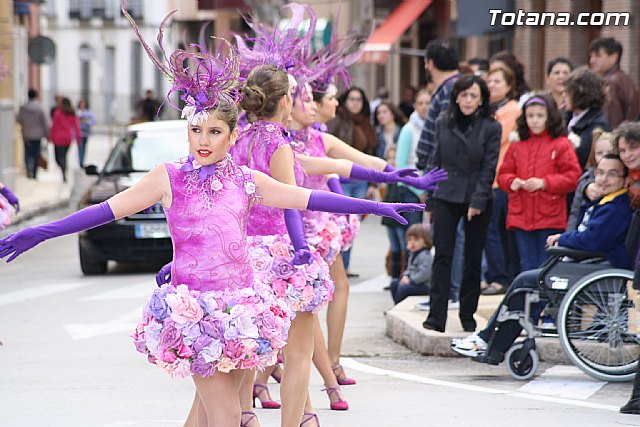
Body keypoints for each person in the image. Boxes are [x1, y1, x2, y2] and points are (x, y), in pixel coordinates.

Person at [0, 17, 422, 427]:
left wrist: (376, 207)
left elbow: (308, 197)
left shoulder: (247, 179)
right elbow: (105, 210)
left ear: (232, 135)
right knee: (224, 417)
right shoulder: (168, 177)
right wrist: (41, 232)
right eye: (196, 130)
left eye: (215, 132)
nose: (203, 141)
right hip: (194, 313)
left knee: (204, 417)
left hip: (242, 311)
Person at [452, 153, 632, 364]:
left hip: (599, 267)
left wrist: (562, 239)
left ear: (624, 180)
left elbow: (592, 240)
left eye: (612, 174)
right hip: (592, 263)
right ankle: (490, 342)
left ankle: (487, 340)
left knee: (527, 281)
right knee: (529, 280)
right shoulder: (607, 201)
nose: (603, 179)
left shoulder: (616, 207)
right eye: (600, 173)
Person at [422, 74, 501, 333]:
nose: (468, 100)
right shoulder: (443, 121)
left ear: (481, 100)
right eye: (464, 95)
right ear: (456, 96)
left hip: (477, 196)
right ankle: (436, 317)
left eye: (473, 96)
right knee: (442, 254)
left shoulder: (491, 126)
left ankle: (468, 315)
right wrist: (430, 196)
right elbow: (436, 160)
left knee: (472, 257)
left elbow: (489, 168)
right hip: (446, 193)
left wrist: (477, 200)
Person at [497, 94, 582, 271]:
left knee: (547, 266)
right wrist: (512, 182)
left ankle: (545, 300)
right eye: (530, 116)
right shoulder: (517, 145)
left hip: (550, 216)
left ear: (549, 117)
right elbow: (503, 174)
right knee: (526, 266)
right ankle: (530, 298)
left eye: (540, 116)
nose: (534, 121)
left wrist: (544, 183)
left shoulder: (561, 144)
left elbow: (573, 176)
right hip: (521, 215)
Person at [327, 86, 377, 276]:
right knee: (342, 221)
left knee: (354, 224)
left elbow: (371, 153)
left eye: (359, 100)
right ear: (345, 101)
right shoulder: (337, 121)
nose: (355, 103)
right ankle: (337, 266)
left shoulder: (365, 123)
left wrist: (373, 183)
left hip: (361, 181)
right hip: (342, 180)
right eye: (352, 99)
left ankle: (345, 267)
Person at [482, 66, 521, 296]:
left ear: (509, 85)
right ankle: (496, 276)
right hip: (491, 179)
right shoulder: (494, 108)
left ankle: (500, 278)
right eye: (490, 81)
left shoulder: (511, 109)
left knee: (494, 231)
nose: (492, 85)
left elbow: (493, 137)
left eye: (497, 81)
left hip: (501, 180)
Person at [415, 39, 460, 169]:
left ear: (430, 64)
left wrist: (430, 162)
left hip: (440, 169)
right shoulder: (451, 87)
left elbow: (444, 131)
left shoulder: (450, 90)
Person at [566, 129, 614, 231]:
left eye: (609, 152)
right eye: (599, 153)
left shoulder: (623, 177)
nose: (604, 156)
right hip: (582, 233)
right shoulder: (587, 178)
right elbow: (575, 212)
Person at [564, 67, 611, 169]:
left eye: (568, 92)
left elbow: (582, 156)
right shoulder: (566, 116)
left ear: (580, 94)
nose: (564, 95)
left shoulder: (598, 124)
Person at [588, 37, 639, 127]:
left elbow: (611, 121)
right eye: (591, 56)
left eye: (598, 56)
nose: (592, 60)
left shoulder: (611, 82)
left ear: (613, 57)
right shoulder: (623, 78)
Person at [390, 224, 433, 304]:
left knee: (404, 288)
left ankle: (399, 305)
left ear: (425, 242)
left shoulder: (425, 255)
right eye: (410, 240)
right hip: (413, 282)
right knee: (394, 283)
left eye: (416, 240)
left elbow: (426, 273)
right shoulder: (412, 254)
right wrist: (405, 276)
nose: (412, 243)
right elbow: (409, 268)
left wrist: (411, 281)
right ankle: (397, 304)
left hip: (424, 285)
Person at [16, 89, 49, 179]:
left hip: (26, 134)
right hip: (38, 135)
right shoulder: (40, 108)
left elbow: (18, 119)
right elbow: (44, 122)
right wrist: (47, 135)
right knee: (36, 153)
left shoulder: (23, 108)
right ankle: (34, 172)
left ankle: (28, 169)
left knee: (27, 153)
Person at [49, 97, 82, 183]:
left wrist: (51, 137)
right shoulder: (72, 114)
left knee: (59, 157)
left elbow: (54, 126)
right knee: (63, 156)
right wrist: (78, 138)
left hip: (58, 138)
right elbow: (77, 127)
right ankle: (64, 171)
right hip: (68, 138)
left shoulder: (58, 113)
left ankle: (63, 171)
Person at [77, 99, 96, 168]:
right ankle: (80, 161)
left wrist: (87, 121)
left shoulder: (88, 113)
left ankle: (82, 160)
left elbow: (94, 121)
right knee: (80, 147)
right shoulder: (77, 112)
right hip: (79, 133)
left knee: (84, 147)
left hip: (86, 133)